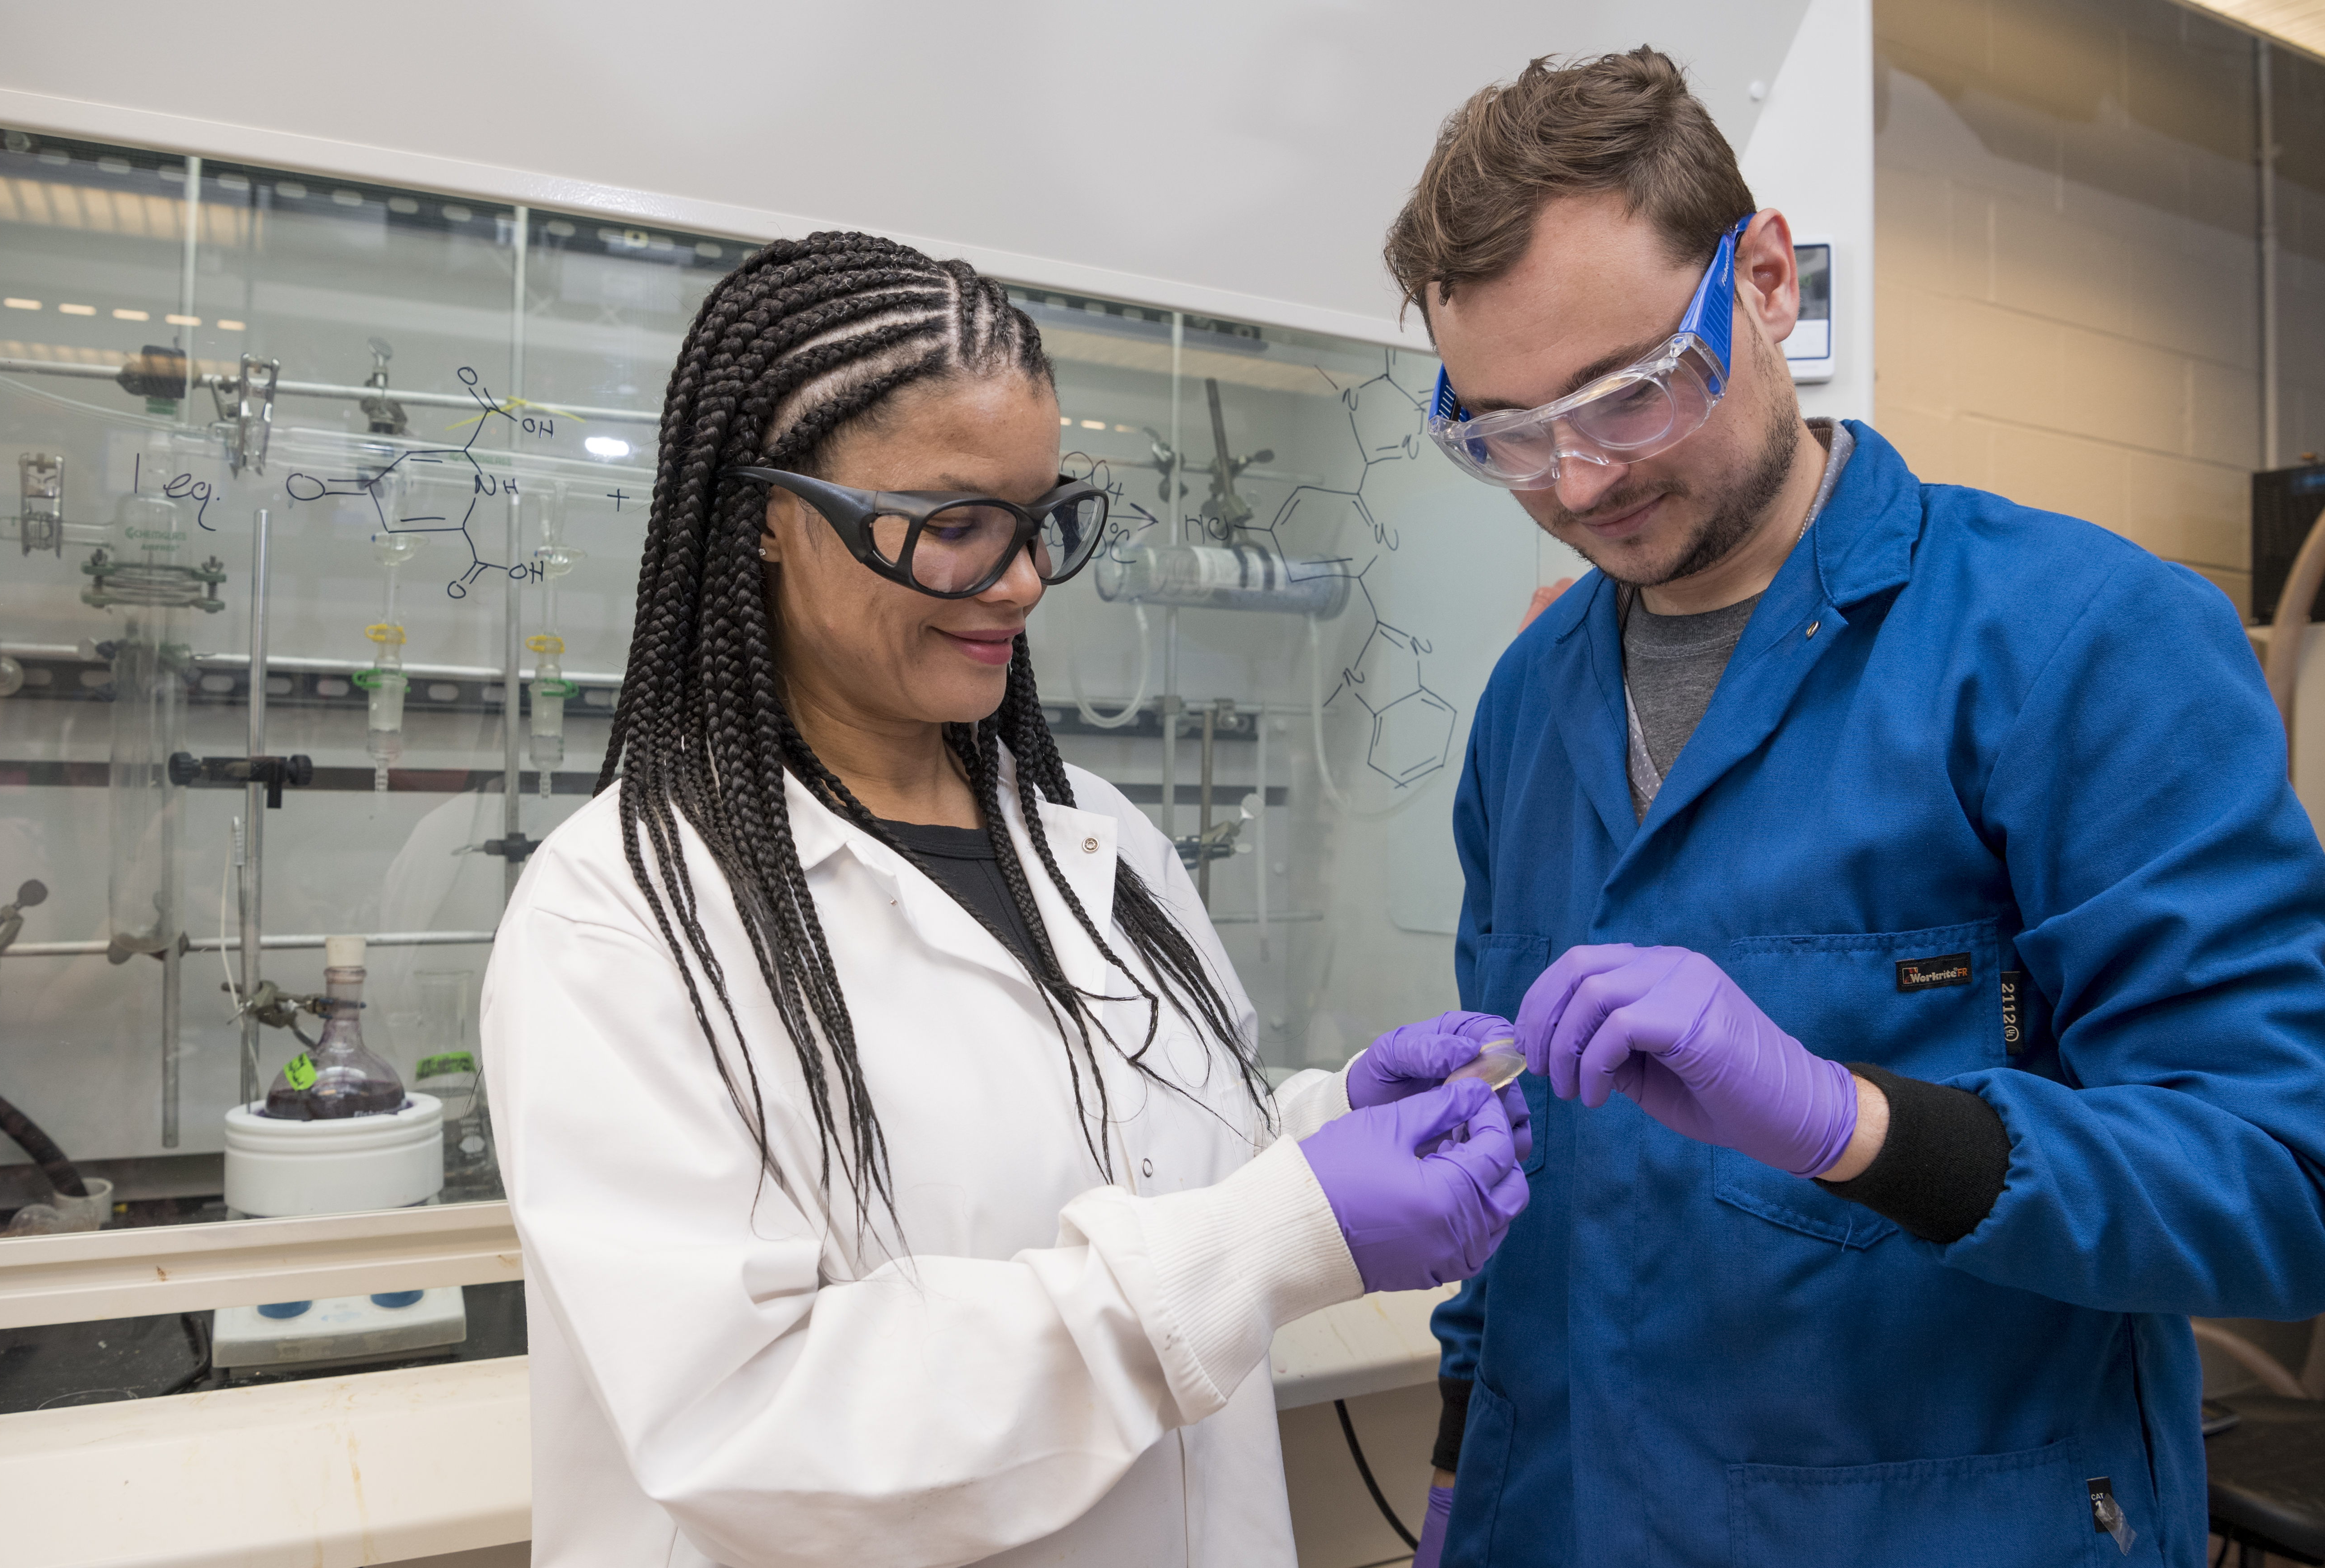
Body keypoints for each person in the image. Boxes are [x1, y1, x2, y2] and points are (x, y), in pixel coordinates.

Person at [1382, 49, 2325, 1568]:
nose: (1575, 480)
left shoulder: (2076, 642)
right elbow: (1539, 1167)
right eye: (1503, 432)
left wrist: (1854, 1124)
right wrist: (1456, 1457)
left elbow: (2282, 1184)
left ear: (1764, 280)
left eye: (1627, 394)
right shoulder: (1530, 701)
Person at [478, 233, 1531, 1568]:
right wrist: (1281, 1238)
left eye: (1037, 523)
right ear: (767, 515)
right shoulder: (625, 914)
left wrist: (1328, 1123)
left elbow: (1166, 1162)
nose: (1022, 580)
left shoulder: (1100, 845)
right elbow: (752, 1423)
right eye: (953, 526)